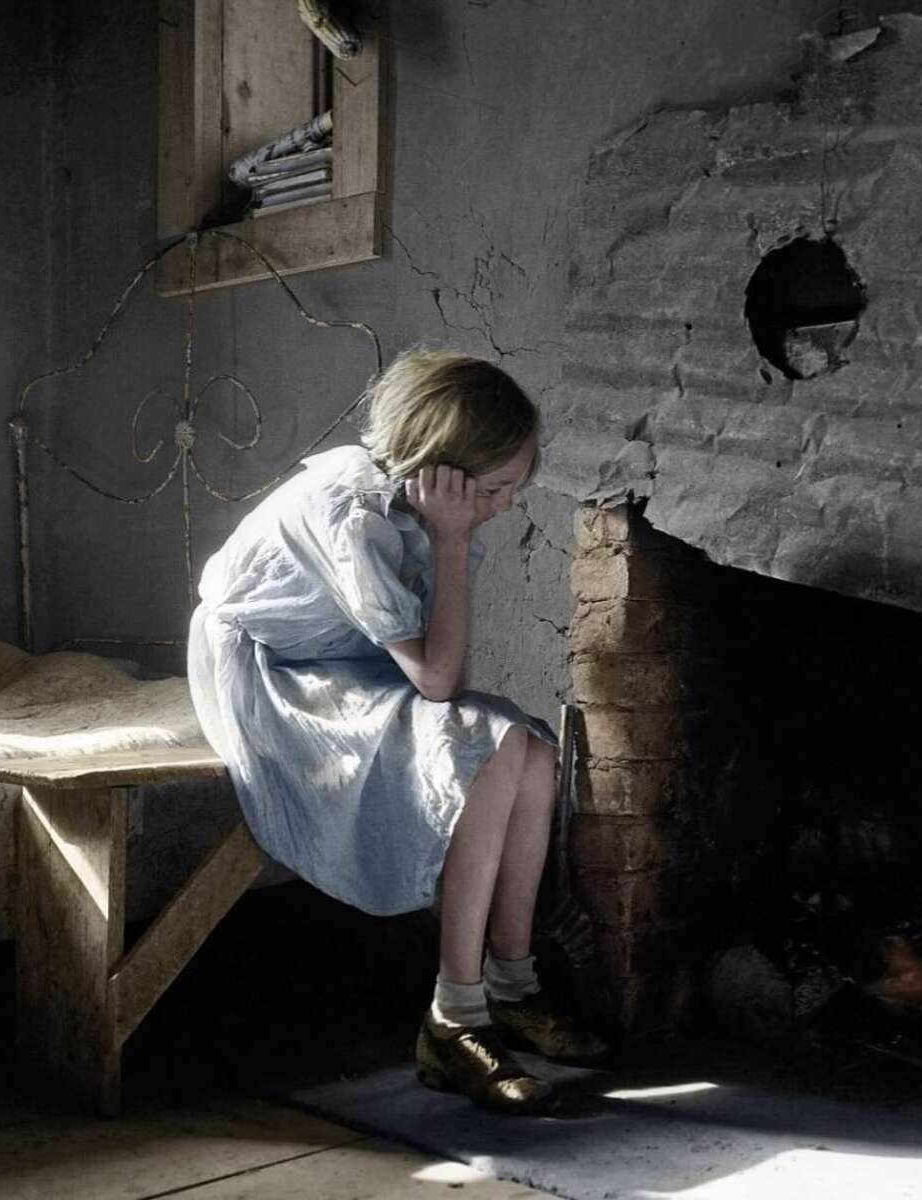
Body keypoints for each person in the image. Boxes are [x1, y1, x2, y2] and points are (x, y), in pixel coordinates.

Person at [188, 347, 606, 1114]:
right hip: (279, 679)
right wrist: (452, 541)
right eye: (496, 489)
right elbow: (440, 680)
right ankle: (454, 1018)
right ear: (438, 472)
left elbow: (437, 673)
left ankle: (512, 984)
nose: (506, 505)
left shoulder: (411, 502)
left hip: (349, 664)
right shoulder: (349, 516)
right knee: (488, 747)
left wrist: (451, 532)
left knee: (531, 747)